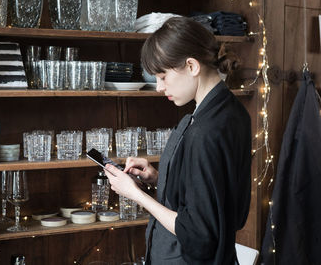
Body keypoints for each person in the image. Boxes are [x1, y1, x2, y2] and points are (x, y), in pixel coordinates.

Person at [104, 16, 252, 265]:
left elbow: (198, 234)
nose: (160, 87)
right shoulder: (233, 112)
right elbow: (216, 198)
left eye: (163, 76)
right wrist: (160, 178)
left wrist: (137, 195)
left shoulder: (203, 131)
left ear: (192, 66)